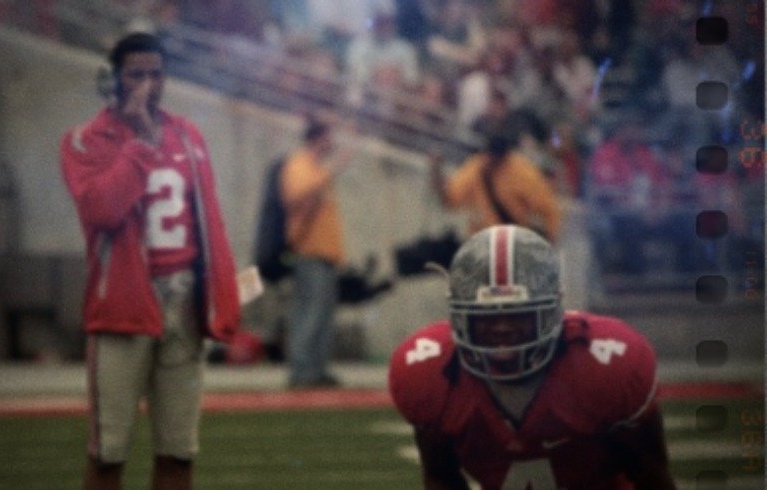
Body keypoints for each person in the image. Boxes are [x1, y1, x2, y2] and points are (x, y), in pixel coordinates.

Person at [60, 33, 240, 490]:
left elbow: (210, 222)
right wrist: (139, 143)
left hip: (184, 301)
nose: (148, 84)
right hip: (123, 306)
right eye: (136, 74)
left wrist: (221, 294)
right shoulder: (86, 140)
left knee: (179, 452)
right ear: (113, 79)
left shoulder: (186, 133)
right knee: (109, 454)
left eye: (156, 74)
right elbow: (102, 209)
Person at [388, 225, 677, 489]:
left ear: (551, 312)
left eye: (518, 313)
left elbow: (653, 478)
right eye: (487, 314)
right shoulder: (432, 372)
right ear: (461, 316)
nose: (502, 326)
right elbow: (441, 478)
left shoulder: (607, 366)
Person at [280, 117, 352, 388]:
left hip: (325, 253)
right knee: (309, 312)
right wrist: (330, 172)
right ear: (318, 138)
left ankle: (317, 368)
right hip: (308, 250)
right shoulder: (299, 164)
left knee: (322, 314)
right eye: (328, 137)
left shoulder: (315, 167)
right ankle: (301, 369)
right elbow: (295, 195)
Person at [429, 127, 561, 242]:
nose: (491, 161)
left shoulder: (522, 172)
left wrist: (547, 241)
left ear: (504, 157)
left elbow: (549, 209)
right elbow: (450, 199)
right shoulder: (477, 166)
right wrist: (437, 173)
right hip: (479, 243)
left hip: (511, 246)